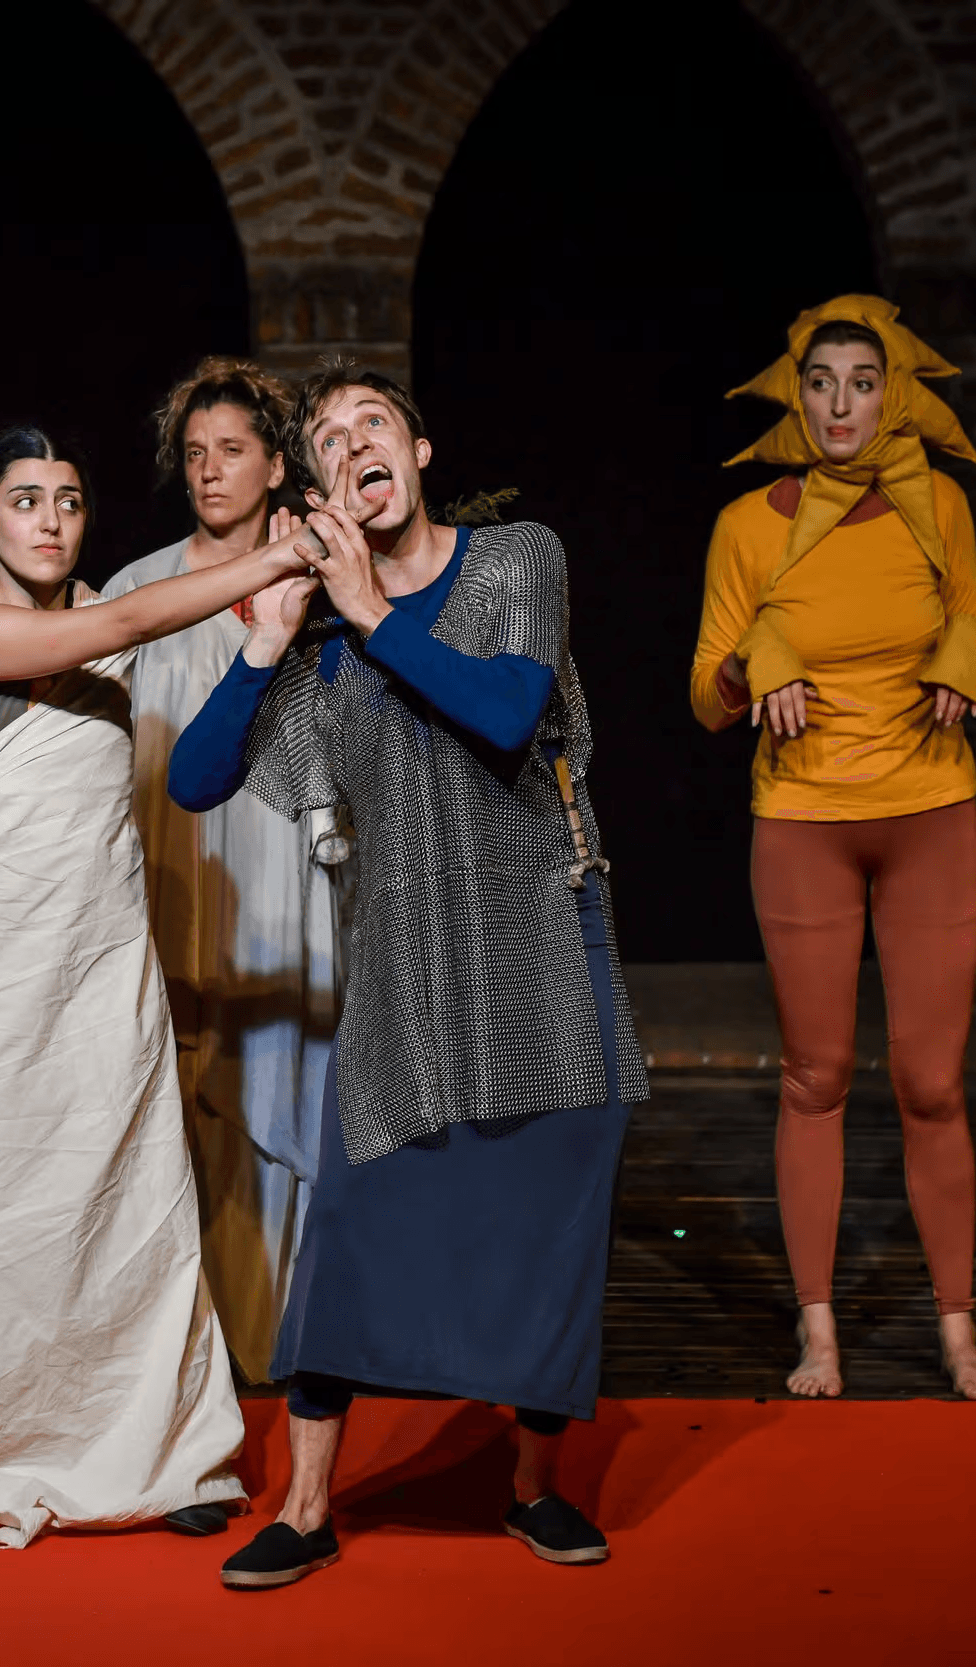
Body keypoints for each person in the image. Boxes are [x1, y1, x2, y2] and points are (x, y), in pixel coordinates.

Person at [0, 424, 314, 1548]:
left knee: (121, 1195)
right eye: (24, 498)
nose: (49, 516)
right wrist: (276, 555)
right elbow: (125, 618)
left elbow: (167, 639)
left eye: (69, 499)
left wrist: (274, 601)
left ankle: (167, 1444)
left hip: (90, 961)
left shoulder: (109, 633)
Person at [170, 362, 648, 1587]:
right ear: (321, 484)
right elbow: (196, 779)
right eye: (325, 438)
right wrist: (268, 639)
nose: (349, 443)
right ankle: (309, 1501)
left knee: (545, 1223)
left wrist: (372, 608)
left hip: (544, 938)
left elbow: (505, 709)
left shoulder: (513, 561)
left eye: (368, 422)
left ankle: (532, 1487)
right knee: (349, 1225)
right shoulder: (321, 643)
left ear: (420, 451)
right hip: (403, 961)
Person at [690, 295, 976, 1402]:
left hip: (929, 813)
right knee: (816, 1075)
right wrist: (752, 662)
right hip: (802, 822)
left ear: (893, 393)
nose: (839, 402)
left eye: (861, 382)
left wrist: (963, 651)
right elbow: (703, 692)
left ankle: (957, 1330)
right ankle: (817, 1329)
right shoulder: (747, 525)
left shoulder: (940, 510)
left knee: (930, 1082)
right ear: (796, 393)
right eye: (820, 381)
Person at [99, 358, 336, 1380]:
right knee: (175, 1090)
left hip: (284, 866)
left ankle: (287, 1332)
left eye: (231, 450)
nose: (209, 471)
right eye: (194, 454)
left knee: (284, 1074)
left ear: (275, 462)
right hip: (175, 863)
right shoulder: (139, 589)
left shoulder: (321, 582)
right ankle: (180, 1351)